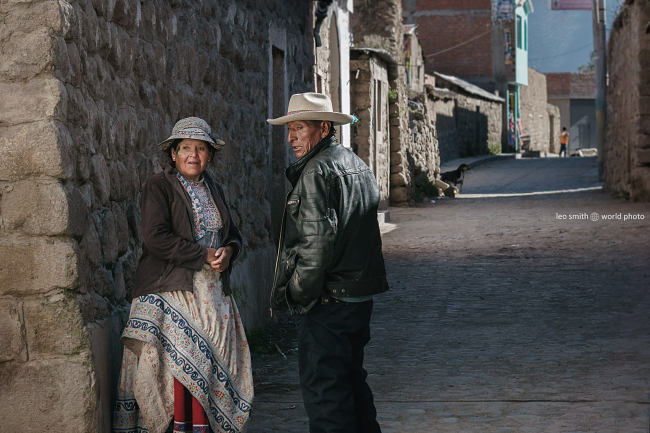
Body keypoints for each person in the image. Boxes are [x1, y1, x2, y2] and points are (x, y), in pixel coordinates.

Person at [112, 117, 253, 433]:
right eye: (186, 148)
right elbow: (155, 237)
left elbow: (234, 234)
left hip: (213, 294)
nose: (193, 155)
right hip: (171, 291)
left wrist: (229, 252)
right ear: (173, 154)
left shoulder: (213, 188)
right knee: (178, 371)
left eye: (201, 148)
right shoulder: (159, 186)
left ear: (209, 155)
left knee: (210, 368)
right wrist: (203, 255)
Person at [267, 93, 388, 433]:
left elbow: (315, 248)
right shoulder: (355, 163)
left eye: (299, 128)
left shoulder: (316, 172)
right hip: (356, 300)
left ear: (324, 128)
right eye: (289, 129)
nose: (291, 138)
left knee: (326, 399)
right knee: (352, 384)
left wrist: (295, 295)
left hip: (329, 302)